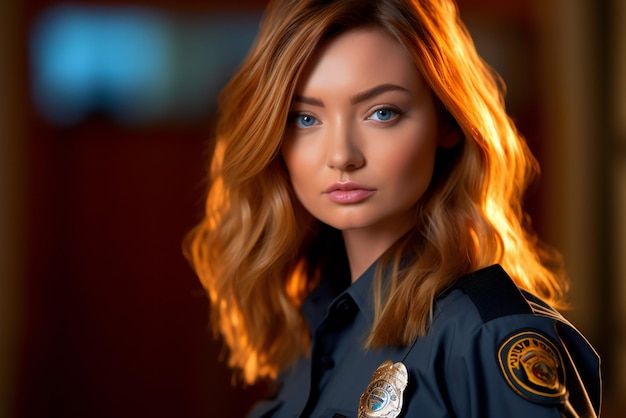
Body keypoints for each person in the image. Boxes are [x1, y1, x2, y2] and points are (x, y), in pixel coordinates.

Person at [185, 0, 602, 416]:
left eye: (382, 113)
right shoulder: (315, 334)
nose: (342, 156)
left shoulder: (489, 336)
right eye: (305, 118)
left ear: (447, 122)